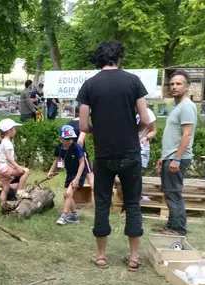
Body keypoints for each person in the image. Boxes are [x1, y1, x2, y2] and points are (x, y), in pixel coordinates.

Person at [76, 40, 151, 271]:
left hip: (104, 155)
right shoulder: (133, 81)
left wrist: (97, 130)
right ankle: (133, 258)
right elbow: (146, 121)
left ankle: (100, 256)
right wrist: (133, 131)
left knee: (102, 203)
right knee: (132, 203)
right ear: (119, 58)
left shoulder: (89, 85)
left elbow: (82, 125)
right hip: (130, 153)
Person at [157, 70, 198, 236]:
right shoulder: (178, 106)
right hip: (170, 157)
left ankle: (178, 229)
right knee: (169, 193)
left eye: (178, 84)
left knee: (174, 193)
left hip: (177, 158)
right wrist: (164, 157)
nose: (174, 87)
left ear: (187, 86)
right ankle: (171, 225)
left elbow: (187, 135)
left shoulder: (187, 106)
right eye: (172, 84)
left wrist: (176, 159)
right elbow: (173, 135)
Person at [47, 125, 86, 225]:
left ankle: (64, 216)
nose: (69, 140)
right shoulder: (59, 148)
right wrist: (51, 171)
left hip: (79, 173)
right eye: (67, 138)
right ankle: (74, 215)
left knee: (68, 194)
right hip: (70, 173)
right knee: (67, 195)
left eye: (71, 138)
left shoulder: (76, 147)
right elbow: (57, 160)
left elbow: (82, 163)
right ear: (60, 138)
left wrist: (77, 178)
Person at [0, 118, 30, 206]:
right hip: (6, 169)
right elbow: (8, 158)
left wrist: (15, 166)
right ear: (9, 130)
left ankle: (3, 205)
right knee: (26, 171)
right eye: (14, 128)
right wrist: (17, 167)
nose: (15, 130)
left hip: (1, 169)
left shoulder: (2, 141)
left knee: (5, 189)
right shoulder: (7, 143)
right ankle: (20, 190)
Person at [65, 118, 95, 190]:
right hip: (80, 153)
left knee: (73, 175)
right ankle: (99, 196)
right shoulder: (82, 124)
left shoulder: (68, 124)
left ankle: (70, 196)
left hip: (70, 153)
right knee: (90, 175)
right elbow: (80, 141)